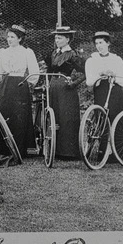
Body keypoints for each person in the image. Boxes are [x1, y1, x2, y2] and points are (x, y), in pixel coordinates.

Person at [0, 25, 39, 159]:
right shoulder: (3, 52)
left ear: (20, 38)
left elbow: (34, 72)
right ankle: (5, 149)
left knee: (19, 118)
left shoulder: (27, 52)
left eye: (12, 37)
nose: (9, 39)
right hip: (6, 85)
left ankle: (19, 150)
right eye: (8, 36)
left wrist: (30, 84)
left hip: (21, 85)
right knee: (5, 115)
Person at [43, 26, 85, 160]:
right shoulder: (54, 53)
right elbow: (49, 70)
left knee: (66, 119)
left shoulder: (72, 54)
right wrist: (46, 84)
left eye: (60, 38)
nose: (57, 40)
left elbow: (85, 73)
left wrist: (73, 83)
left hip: (66, 90)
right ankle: (55, 150)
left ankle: (68, 152)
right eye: (56, 38)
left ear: (68, 39)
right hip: (53, 87)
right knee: (54, 117)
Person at [84, 31, 123, 156]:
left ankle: (120, 153)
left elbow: (122, 81)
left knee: (117, 118)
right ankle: (104, 152)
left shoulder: (116, 59)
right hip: (101, 91)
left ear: (108, 43)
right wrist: (100, 74)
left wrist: (113, 75)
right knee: (103, 119)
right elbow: (89, 81)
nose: (99, 46)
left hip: (115, 91)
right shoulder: (92, 60)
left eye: (101, 43)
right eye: (96, 43)